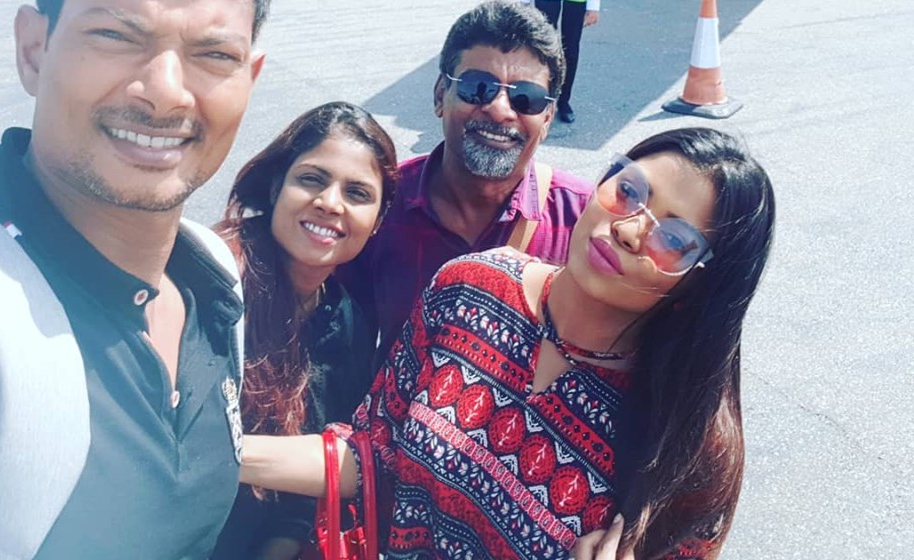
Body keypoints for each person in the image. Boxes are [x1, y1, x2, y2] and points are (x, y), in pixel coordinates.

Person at [240, 127, 776, 560]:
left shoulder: (689, 443)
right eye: (629, 191)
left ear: (700, 283)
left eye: (674, 239)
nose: (630, 230)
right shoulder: (471, 286)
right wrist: (222, 454)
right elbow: (375, 450)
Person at [0, 0, 276, 559]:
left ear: (249, 78)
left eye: (213, 53)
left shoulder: (212, 281)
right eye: (114, 36)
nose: (165, 92)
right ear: (33, 49)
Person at [339, 0, 593, 367]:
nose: (500, 110)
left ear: (548, 117)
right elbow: (342, 346)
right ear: (440, 96)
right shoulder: (380, 202)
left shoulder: (584, 221)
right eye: (478, 87)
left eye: (526, 98)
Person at [212, 102, 398, 560]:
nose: (330, 202)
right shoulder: (213, 289)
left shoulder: (345, 320)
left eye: (357, 193)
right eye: (312, 179)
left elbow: (313, 478)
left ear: (377, 221)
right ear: (277, 186)